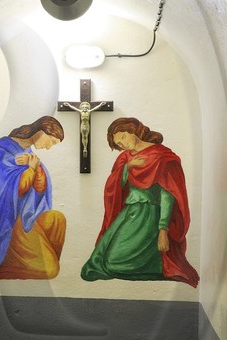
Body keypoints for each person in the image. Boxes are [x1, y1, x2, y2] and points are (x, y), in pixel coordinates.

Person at [81, 116, 199, 287]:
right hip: (129, 213)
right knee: (100, 260)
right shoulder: (125, 159)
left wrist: (163, 230)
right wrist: (128, 168)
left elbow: (168, 194)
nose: (123, 144)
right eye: (119, 144)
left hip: (150, 216)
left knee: (113, 262)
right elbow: (114, 187)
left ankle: (153, 265)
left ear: (133, 130)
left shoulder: (162, 156)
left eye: (123, 137)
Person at [0, 115, 68, 284]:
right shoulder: (0, 153)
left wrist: (37, 170)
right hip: (8, 223)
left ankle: (27, 260)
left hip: (27, 216)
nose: (49, 147)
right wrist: (31, 170)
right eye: (52, 141)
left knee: (57, 219)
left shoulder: (28, 154)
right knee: (51, 270)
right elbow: (8, 191)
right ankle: (2, 264)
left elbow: (40, 188)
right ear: (42, 132)